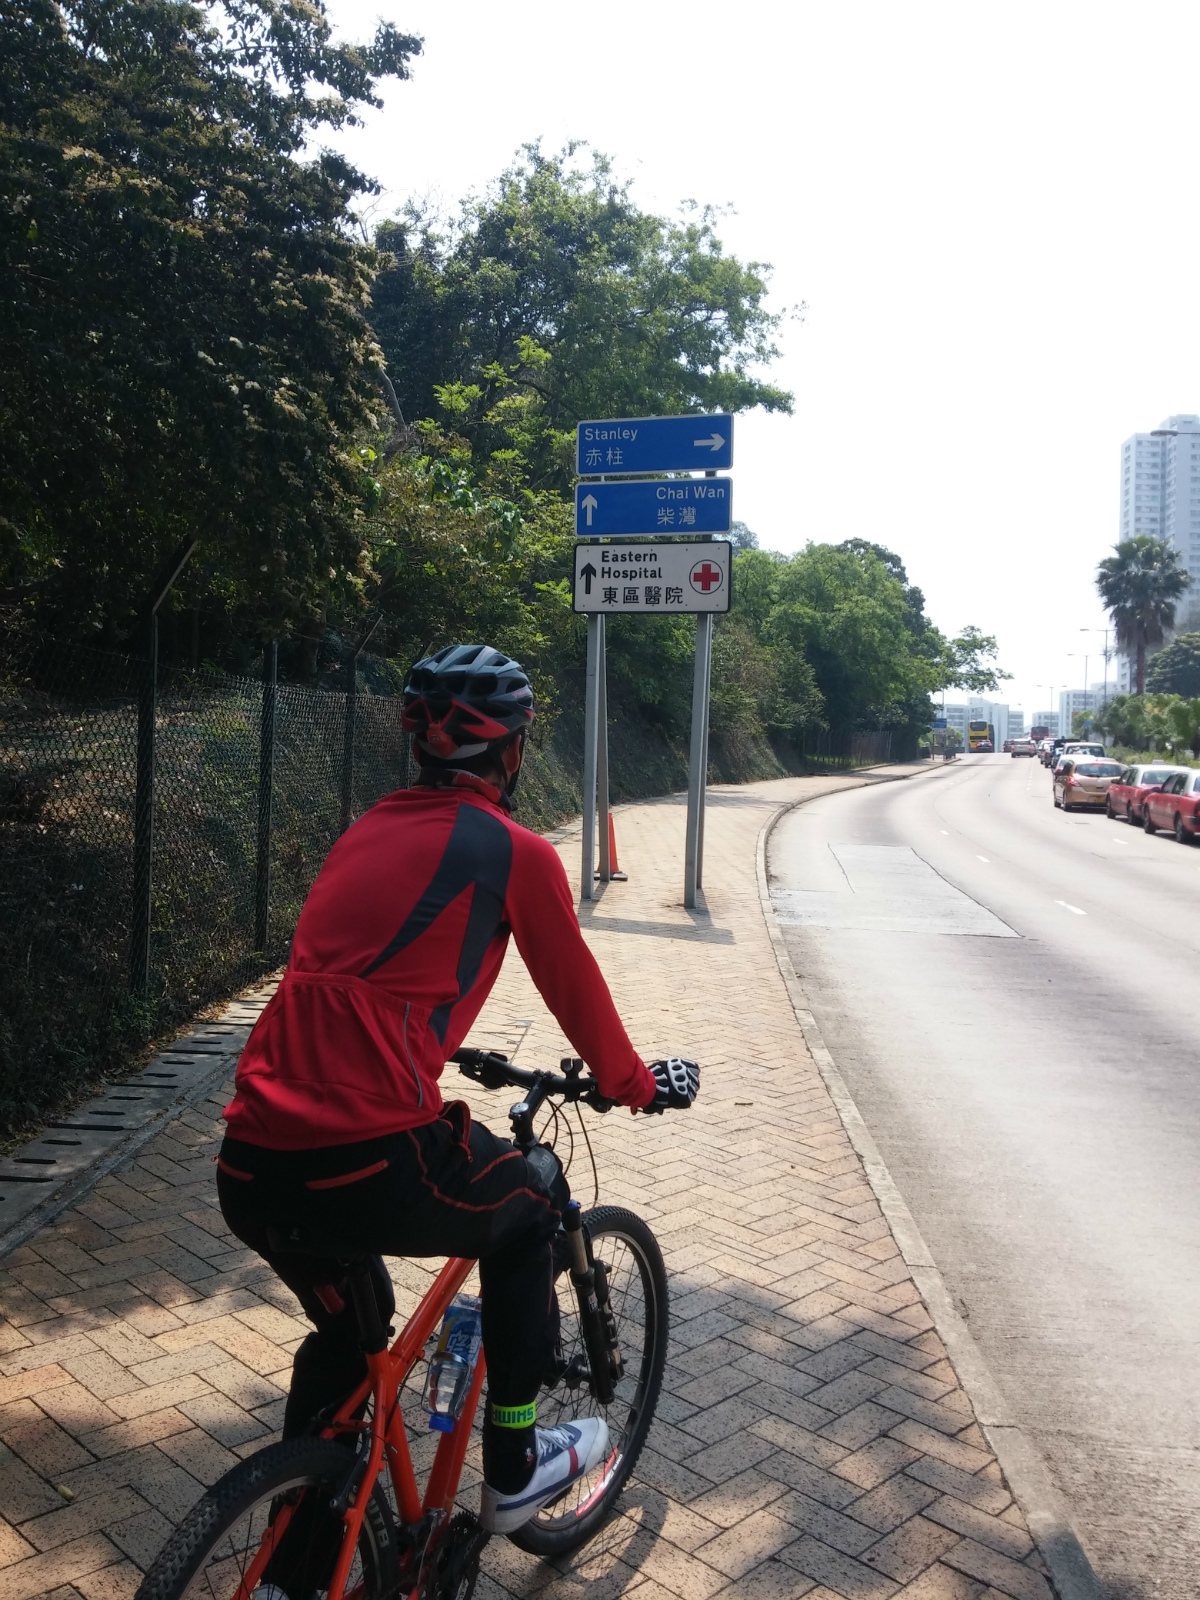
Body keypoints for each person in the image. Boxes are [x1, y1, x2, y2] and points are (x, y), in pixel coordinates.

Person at [217, 643, 699, 1538]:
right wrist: (633, 1087)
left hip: (249, 1159)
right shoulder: (515, 852)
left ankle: (294, 1561)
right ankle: (514, 1465)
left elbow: (358, 984)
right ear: (512, 753)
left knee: (349, 1339)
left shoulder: (364, 830)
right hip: (368, 1157)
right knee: (533, 1196)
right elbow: (578, 995)